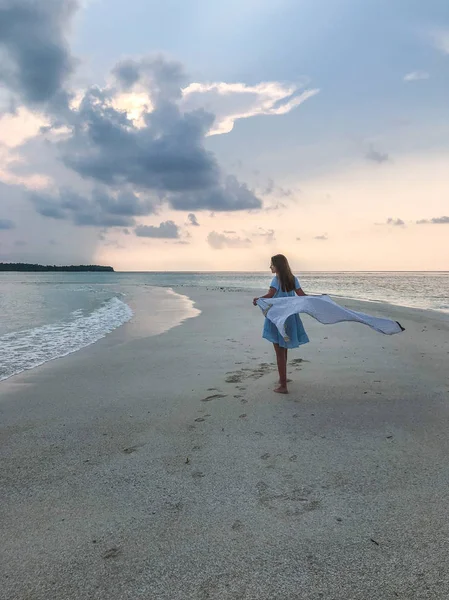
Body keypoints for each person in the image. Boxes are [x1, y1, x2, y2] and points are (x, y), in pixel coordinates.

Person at [253, 254, 309, 394]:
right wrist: (317, 300)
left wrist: (258, 299)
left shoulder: (276, 279)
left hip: (278, 318)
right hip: (290, 318)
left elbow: (270, 295)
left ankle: (283, 385)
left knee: (279, 351)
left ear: (278, 266)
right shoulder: (292, 279)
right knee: (284, 349)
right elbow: (302, 295)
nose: (270, 267)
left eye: (272, 264)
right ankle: (283, 378)